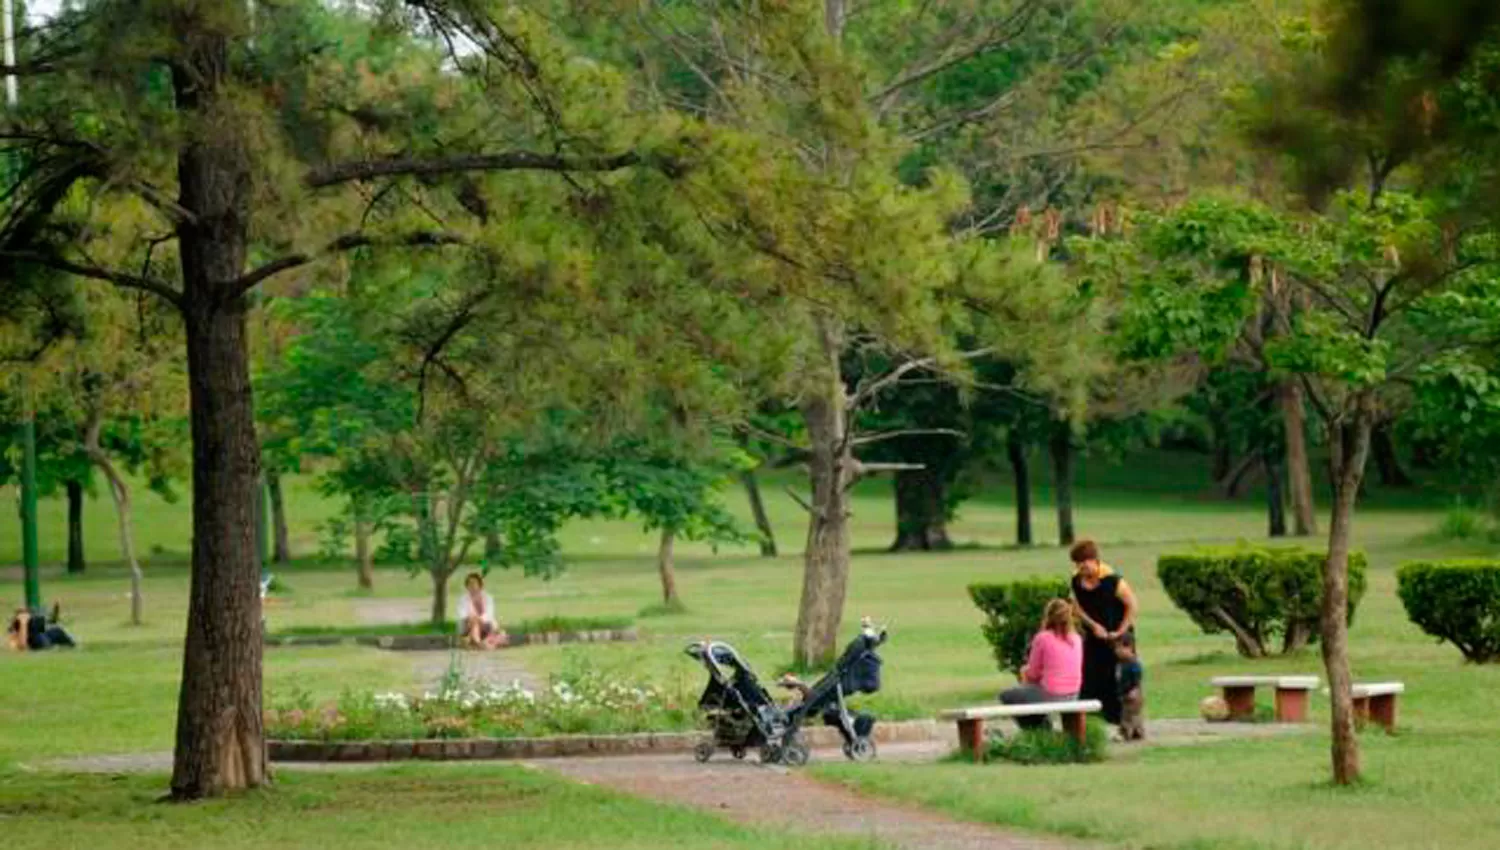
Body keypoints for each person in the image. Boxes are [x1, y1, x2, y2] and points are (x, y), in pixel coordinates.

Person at [1069, 539, 1138, 728]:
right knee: (1091, 676)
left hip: (1118, 635)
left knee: (1119, 680)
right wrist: (1093, 626)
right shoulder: (1076, 580)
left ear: (1095, 560)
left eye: (1085, 562)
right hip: (1094, 635)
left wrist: (1120, 631)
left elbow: (1132, 605)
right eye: (1078, 563)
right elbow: (1077, 607)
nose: (1082, 567)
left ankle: (1124, 722)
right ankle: (1091, 721)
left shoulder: (1112, 580)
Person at [999, 598, 1083, 731]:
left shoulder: (1043, 638)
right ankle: (1043, 727)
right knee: (1029, 694)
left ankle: (1040, 730)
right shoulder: (1076, 638)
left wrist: (1024, 672)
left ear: (1048, 617)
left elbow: (1033, 673)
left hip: (1052, 693)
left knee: (1007, 695)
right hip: (1073, 693)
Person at [455, 573, 505, 650]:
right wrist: (473, 618)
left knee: (502, 633)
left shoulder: (488, 597)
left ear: (480, 585)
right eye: (469, 584)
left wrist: (479, 619)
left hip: (485, 625)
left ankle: (475, 642)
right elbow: (462, 615)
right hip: (468, 625)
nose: (472, 586)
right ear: (467, 586)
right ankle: (479, 643)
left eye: (474, 583)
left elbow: (489, 614)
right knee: (475, 623)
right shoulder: (462, 599)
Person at [1114, 631, 1146, 741]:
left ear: (1130, 647)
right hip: (1124, 693)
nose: (1117, 651)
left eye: (1121, 648)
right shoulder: (1122, 662)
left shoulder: (1133, 662)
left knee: (1127, 715)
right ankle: (1137, 732)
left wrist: (1135, 689)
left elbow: (1137, 677)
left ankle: (1124, 733)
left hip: (1133, 694)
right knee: (1133, 714)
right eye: (1116, 648)